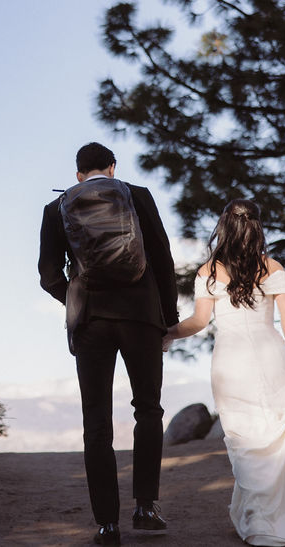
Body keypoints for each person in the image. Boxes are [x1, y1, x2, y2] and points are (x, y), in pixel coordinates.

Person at [163, 199, 285, 546]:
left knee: (244, 441)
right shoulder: (272, 267)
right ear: (257, 227)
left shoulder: (208, 271)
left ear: (224, 228)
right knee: (276, 436)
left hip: (231, 363)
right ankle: (278, 515)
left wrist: (169, 332)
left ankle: (258, 518)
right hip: (270, 355)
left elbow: (199, 322)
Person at [39, 142, 179, 545]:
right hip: (141, 317)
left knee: (96, 421)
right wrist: (166, 319)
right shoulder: (137, 196)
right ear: (113, 168)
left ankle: (106, 524)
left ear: (79, 173)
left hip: (92, 323)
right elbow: (163, 259)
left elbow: (49, 274)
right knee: (148, 409)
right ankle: (145, 507)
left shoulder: (58, 207)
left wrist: (75, 298)